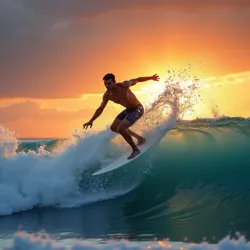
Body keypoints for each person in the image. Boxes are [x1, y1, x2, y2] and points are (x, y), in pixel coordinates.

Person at [83, 73, 160, 159]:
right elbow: (100, 109)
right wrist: (91, 120)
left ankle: (135, 150)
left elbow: (137, 79)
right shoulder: (107, 95)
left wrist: (151, 78)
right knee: (113, 127)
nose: (107, 86)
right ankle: (140, 139)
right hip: (128, 110)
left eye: (109, 83)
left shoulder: (124, 85)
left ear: (114, 82)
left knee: (121, 128)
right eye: (105, 84)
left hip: (138, 109)